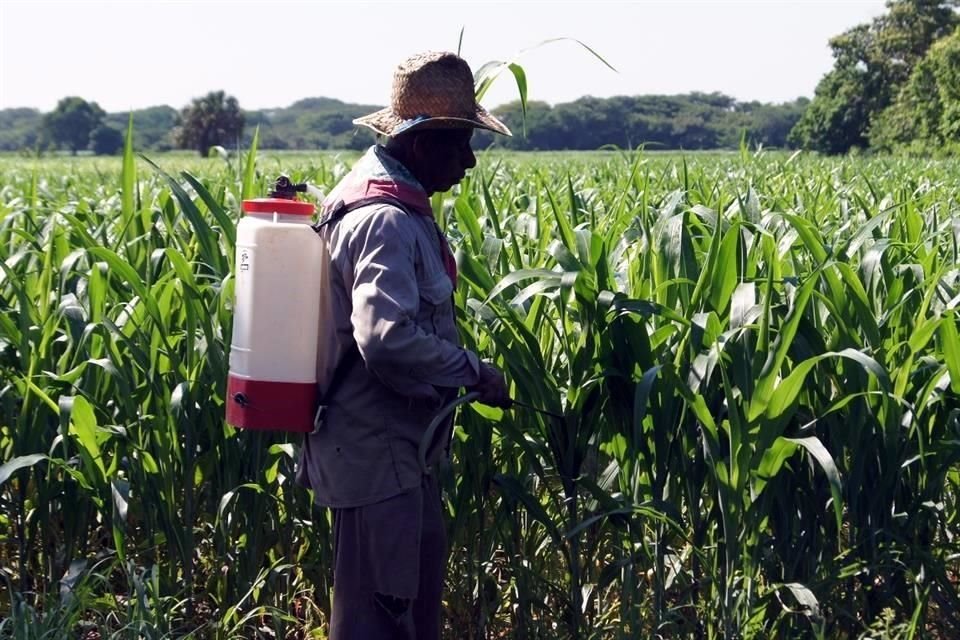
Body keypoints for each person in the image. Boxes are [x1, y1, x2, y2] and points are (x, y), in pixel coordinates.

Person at [295, 51, 513, 639]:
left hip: (395, 456)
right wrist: (472, 370)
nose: (469, 161)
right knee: (378, 623)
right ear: (420, 144)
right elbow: (385, 339)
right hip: (376, 456)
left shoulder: (393, 201)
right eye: (460, 143)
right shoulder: (383, 219)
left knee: (407, 618)